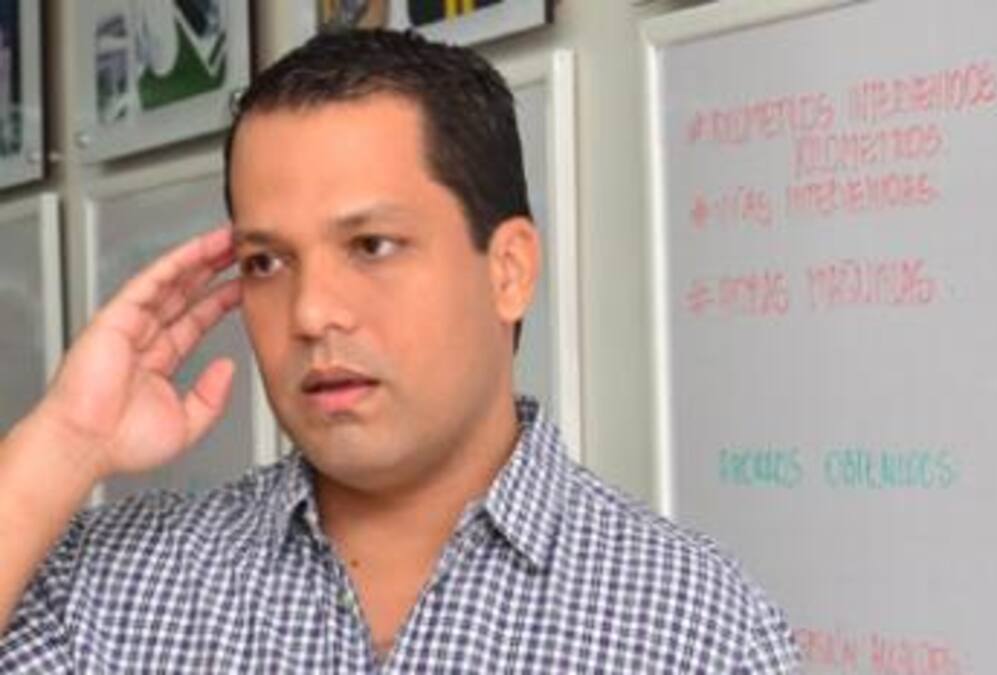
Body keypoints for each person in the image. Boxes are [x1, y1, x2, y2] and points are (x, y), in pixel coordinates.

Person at [0, 30, 801, 672]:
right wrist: (65, 441)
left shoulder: (696, 630)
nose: (311, 312)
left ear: (509, 270)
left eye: (372, 245)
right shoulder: (113, 589)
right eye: (267, 262)